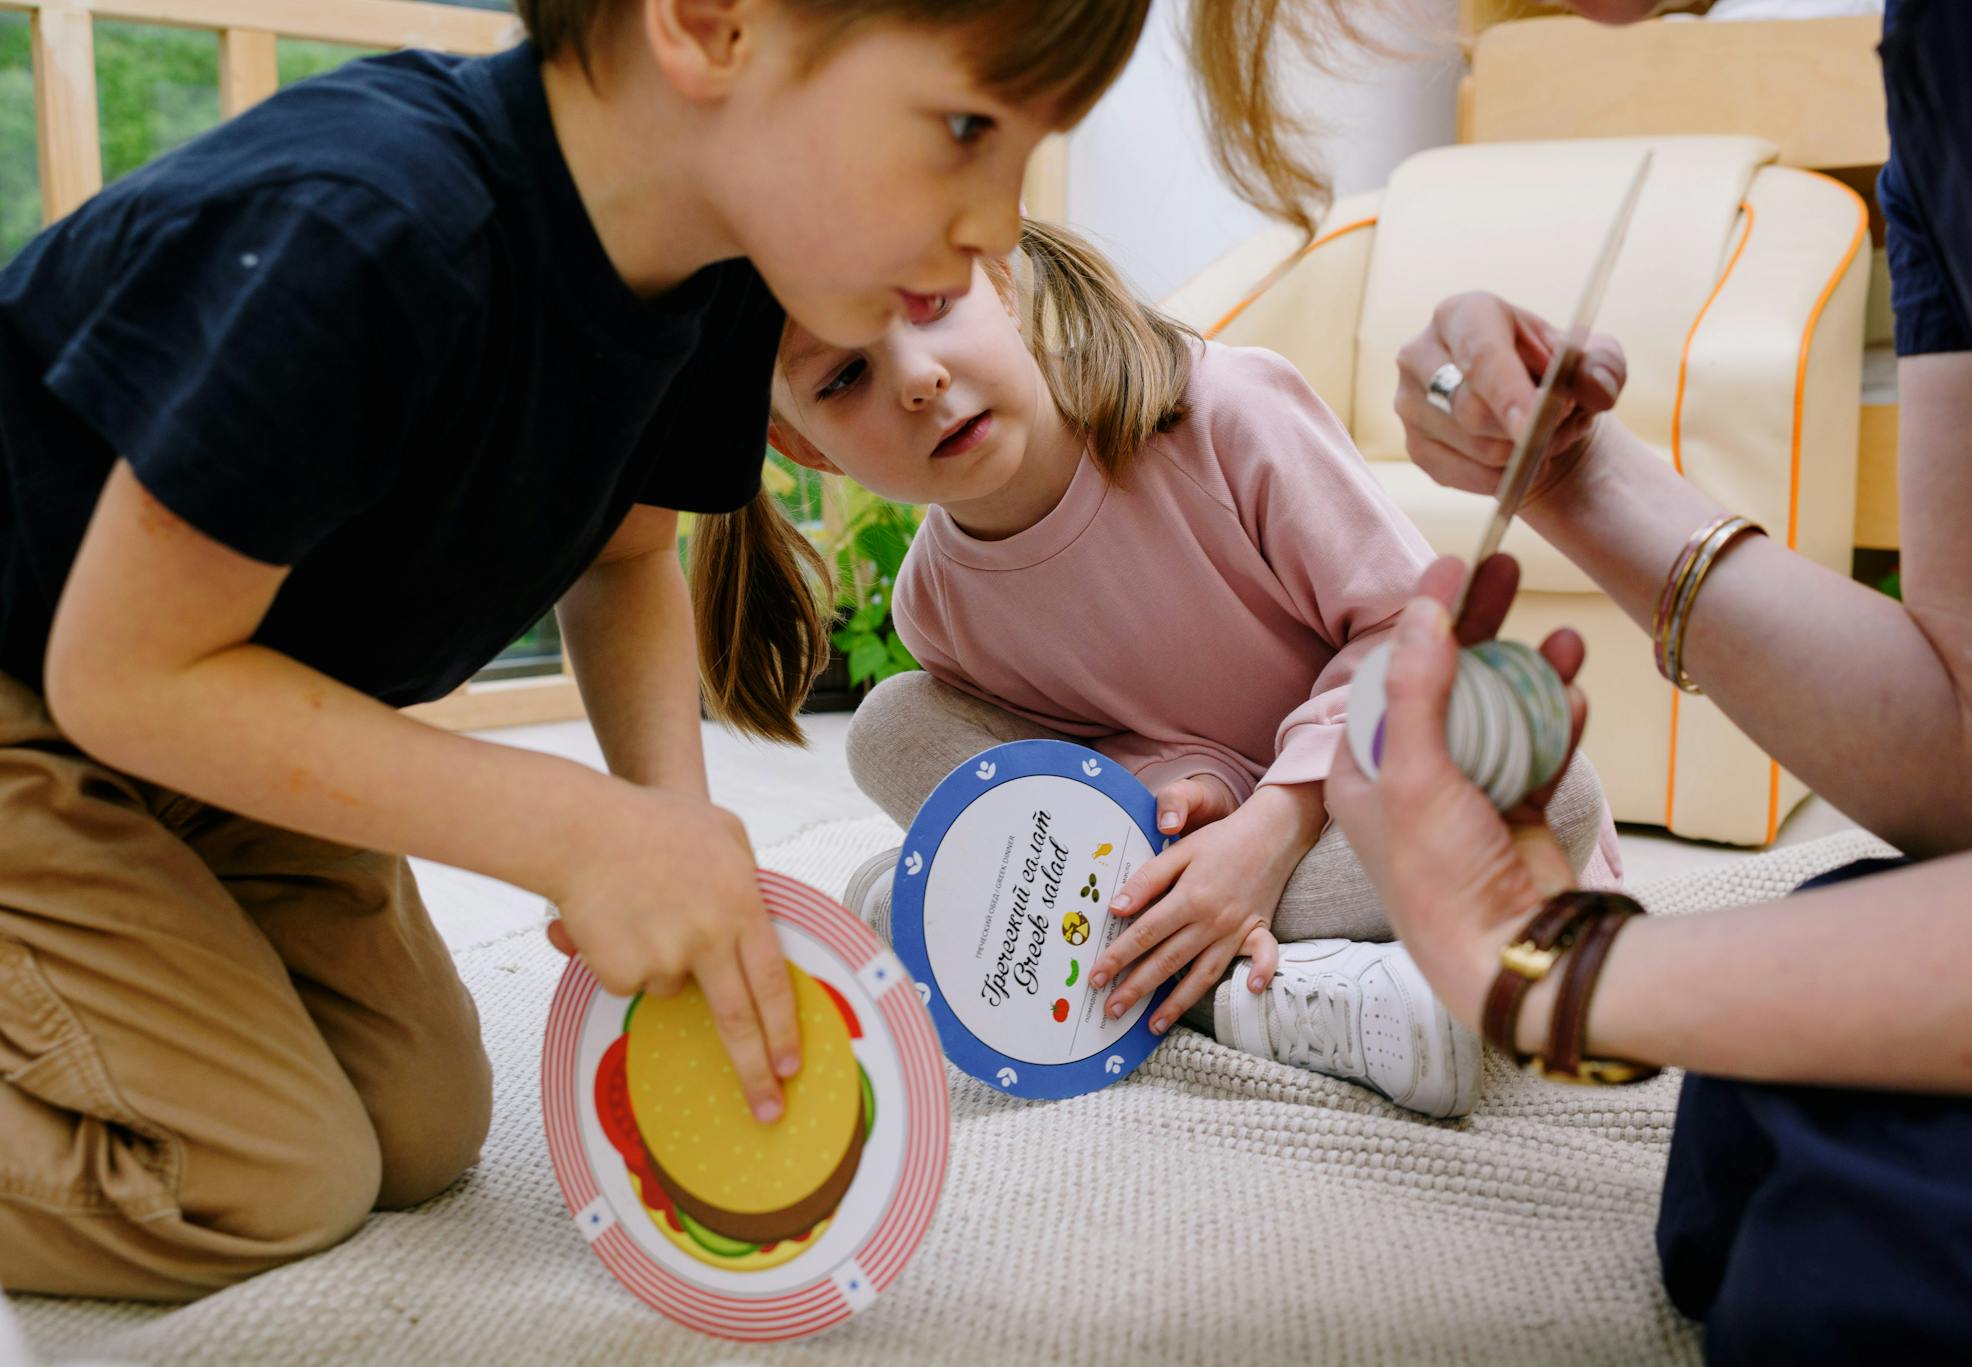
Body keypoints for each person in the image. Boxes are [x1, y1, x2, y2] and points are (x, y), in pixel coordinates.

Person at [0, 0, 1151, 1299]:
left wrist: (672, 829)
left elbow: (624, 554)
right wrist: (570, 829)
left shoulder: (719, 272)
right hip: (48, 686)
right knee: (264, 1175)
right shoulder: (364, 229)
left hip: (224, 723)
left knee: (422, 1123)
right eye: (963, 132)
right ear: (711, 27)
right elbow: (123, 672)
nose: (996, 227)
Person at [1189, 0, 1972, 1354]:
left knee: (1860, 1278)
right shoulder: (1947, 73)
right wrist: (1568, 471)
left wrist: (1563, 973)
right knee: (1755, 1144)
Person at [694, 218, 1624, 1119]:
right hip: (1175, 859)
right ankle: (1270, 987)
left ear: (1002, 283)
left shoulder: (1228, 414)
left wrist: (1269, 825)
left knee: (1556, 792)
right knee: (891, 730)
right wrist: (1185, 789)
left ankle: (1195, 970)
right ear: (807, 447)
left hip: (1365, 802)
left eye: (933, 305)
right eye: (848, 374)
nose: (919, 376)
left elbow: (1416, 638)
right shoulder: (937, 607)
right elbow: (1086, 767)